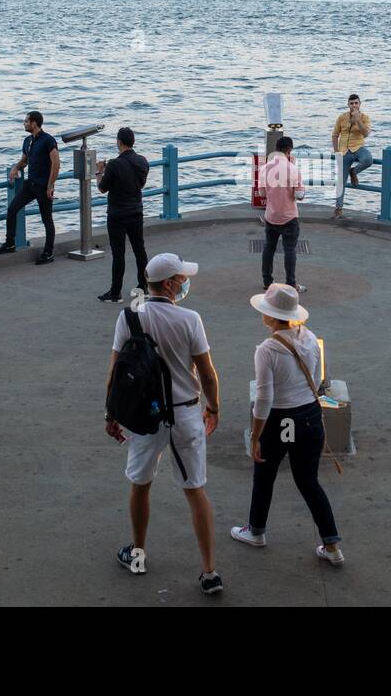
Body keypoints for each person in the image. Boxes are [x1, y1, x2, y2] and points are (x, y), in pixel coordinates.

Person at [106, 253, 224, 594]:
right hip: (186, 413)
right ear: (170, 284)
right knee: (195, 490)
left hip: (146, 417)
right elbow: (207, 373)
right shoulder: (190, 319)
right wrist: (213, 408)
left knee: (141, 485)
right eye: (182, 278)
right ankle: (209, 572)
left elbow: (115, 372)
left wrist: (111, 415)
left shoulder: (128, 317)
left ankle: (138, 554)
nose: (186, 282)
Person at [230, 284, 342, 565]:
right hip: (309, 417)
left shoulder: (267, 349)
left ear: (270, 316)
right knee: (308, 482)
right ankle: (332, 546)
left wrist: (256, 436)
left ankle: (256, 532)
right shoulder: (310, 336)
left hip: (279, 420)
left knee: (264, 477)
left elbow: (264, 398)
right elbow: (315, 382)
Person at [0, 111, 60, 264]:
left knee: (47, 220)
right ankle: (10, 243)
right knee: (12, 209)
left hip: (44, 187)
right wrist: (16, 168)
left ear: (34, 123)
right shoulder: (27, 141)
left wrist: (50, 186)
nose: (24, 124)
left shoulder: (48, 140)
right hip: (30, 185)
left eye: (26, 121)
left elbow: (56, 163)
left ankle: (48, 253)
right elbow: (25, 161)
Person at [94, 126, 149, 303]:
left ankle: (115, 293)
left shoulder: (114, 164)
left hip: (117, 214)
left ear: (119, 142)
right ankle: (144, 286)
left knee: (119, 253)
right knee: (140, 250)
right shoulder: (142, 161)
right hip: (136, 211)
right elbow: (140, 185)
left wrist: (99, 171)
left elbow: (102, 188)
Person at [260, 136, 306, 292]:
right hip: (289, 217)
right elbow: (299, 196)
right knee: (290, 250)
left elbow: (262, 193)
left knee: (268, 248)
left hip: (271, 215)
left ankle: (267, 281)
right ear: (289, 151)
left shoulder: (264, 168)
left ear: (276, 149)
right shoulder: (293, 169)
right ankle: (291, 283)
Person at [331, 93, 372, 218]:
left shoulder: (365, 117)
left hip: (358, 147)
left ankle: (354, 172)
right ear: (348, 104)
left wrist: (357, 119)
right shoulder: (342, 118)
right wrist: (337, 151)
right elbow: (334, 135)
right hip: (344, 151)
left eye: (356, 103)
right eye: (351, 103)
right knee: (341, 181)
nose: (354, 105)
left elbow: (366, 133)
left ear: (360, 104)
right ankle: (338, 209)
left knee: (368, 159)